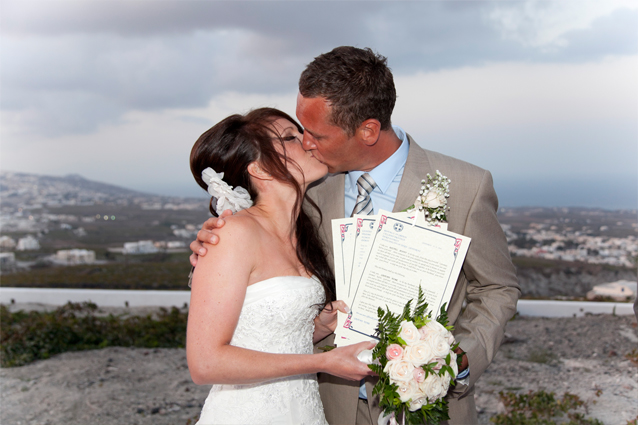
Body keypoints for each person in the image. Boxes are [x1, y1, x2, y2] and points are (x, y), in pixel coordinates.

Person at [190, 47, 521, 425]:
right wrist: (212, 243)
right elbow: (248, 283)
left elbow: (496, 287)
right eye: (298, 131)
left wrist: (457, 360)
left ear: (367, 130)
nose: (306, 142)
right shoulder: (306, 192)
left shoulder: (466, 186)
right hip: (328, 404)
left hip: (427, 409)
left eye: (314, 134)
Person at [187, 107, 375, 425]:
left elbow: (268, 337)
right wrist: (324, 362)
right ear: (258, 168)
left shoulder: (300, 233)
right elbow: (205, 363)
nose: (308, 141)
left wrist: (321, 327)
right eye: (291, 137)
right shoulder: (234, 234)